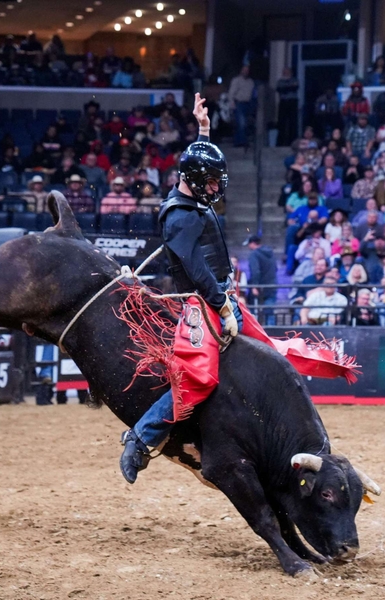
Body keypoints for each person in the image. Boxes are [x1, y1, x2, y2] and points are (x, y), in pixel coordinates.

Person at [119, 94, 243, 484]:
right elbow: (197, 270)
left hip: (219, 298)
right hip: (203, 306)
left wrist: (204, 131)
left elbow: (197, 164)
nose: (214, 187)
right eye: (208, 180)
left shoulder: (188, 197)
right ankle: (141, 438)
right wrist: (223, 307)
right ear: (192, 181)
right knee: (197, 379)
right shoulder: (180, 218)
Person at [227, 65, 255, 147]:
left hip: (248, 104)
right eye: (244, 70)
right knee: (241, 123)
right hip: (239, 103)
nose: (246, 72)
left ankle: (239, 141)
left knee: (245, 123)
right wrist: (232, 103)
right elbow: (231, 93)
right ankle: (241, 142)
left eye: (247, 70)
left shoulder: (251, 82)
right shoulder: (236, 80)